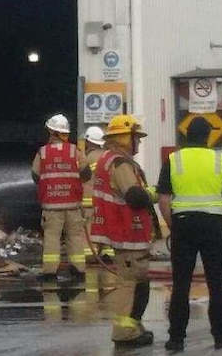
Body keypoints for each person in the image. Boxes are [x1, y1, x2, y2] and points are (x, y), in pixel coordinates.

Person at [156, 117, 222, 353]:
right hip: (214, 225)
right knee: (217, 282)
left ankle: (176, 340)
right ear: (207, 136)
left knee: (181, 284)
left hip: (183, 225)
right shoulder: (219, 159)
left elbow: (163, 200)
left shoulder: (173, 160)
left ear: (186, 136)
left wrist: (173, 226)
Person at [89, 114, 158, 347]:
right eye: (135, 138)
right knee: (131, 285)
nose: (138, 143)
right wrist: (156, 193)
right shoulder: (120, 163)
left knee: (137, 283)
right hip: (127, 232)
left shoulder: (110, 159)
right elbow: (135, 196)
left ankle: (132, 327)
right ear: (124, 138)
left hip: (123, 231)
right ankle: (125, 333)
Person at [31, 113, 91, 282]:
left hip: (51, 206)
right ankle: (78, 270)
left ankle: (50, 272)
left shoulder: (42, 152)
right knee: (75, 237)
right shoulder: (75, 151)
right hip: (73, 205)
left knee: (52, 238)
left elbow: (35, 176)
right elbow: (86, 174)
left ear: (51, 132)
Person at [81, 126, 114, 264]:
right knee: (106, 226)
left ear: (89, 142)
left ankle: (91, 253)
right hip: (107, 201)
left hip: (89, 201)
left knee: (90, 229)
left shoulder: (87, 158)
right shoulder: (108, 157)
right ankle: (108, 252)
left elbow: (81, 178)